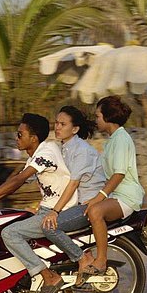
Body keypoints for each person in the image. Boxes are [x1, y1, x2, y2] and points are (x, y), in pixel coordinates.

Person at [0, 113, 77, 293]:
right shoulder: (39, 154)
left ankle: (49, 277)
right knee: (13, 219)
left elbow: (18, 181)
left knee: (10, 234)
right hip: (48, 209)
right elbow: (15, 180)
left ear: (34, 138)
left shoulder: (45, 153)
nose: (16, 138)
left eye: (19, 134)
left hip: (58, 212)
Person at [77, 96, 145, 284]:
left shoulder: (122, 139)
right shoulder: (112, 140)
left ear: (108, 117)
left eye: (98, 116)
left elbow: (119, 174)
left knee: (95, 211)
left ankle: (101, 261)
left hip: (126, 197)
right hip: (116, 195)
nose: (96, 120)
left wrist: (99, 197)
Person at [40, 105, 105, 272]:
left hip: (88, 204)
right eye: (56, 123)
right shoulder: (64, 147)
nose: (58, 127)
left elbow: (73, 183)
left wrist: (55, 211)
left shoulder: (82, 150)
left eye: (63, 124)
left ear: (75, 129)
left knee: (49, 226)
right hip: (76, 202)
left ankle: (82, 258)